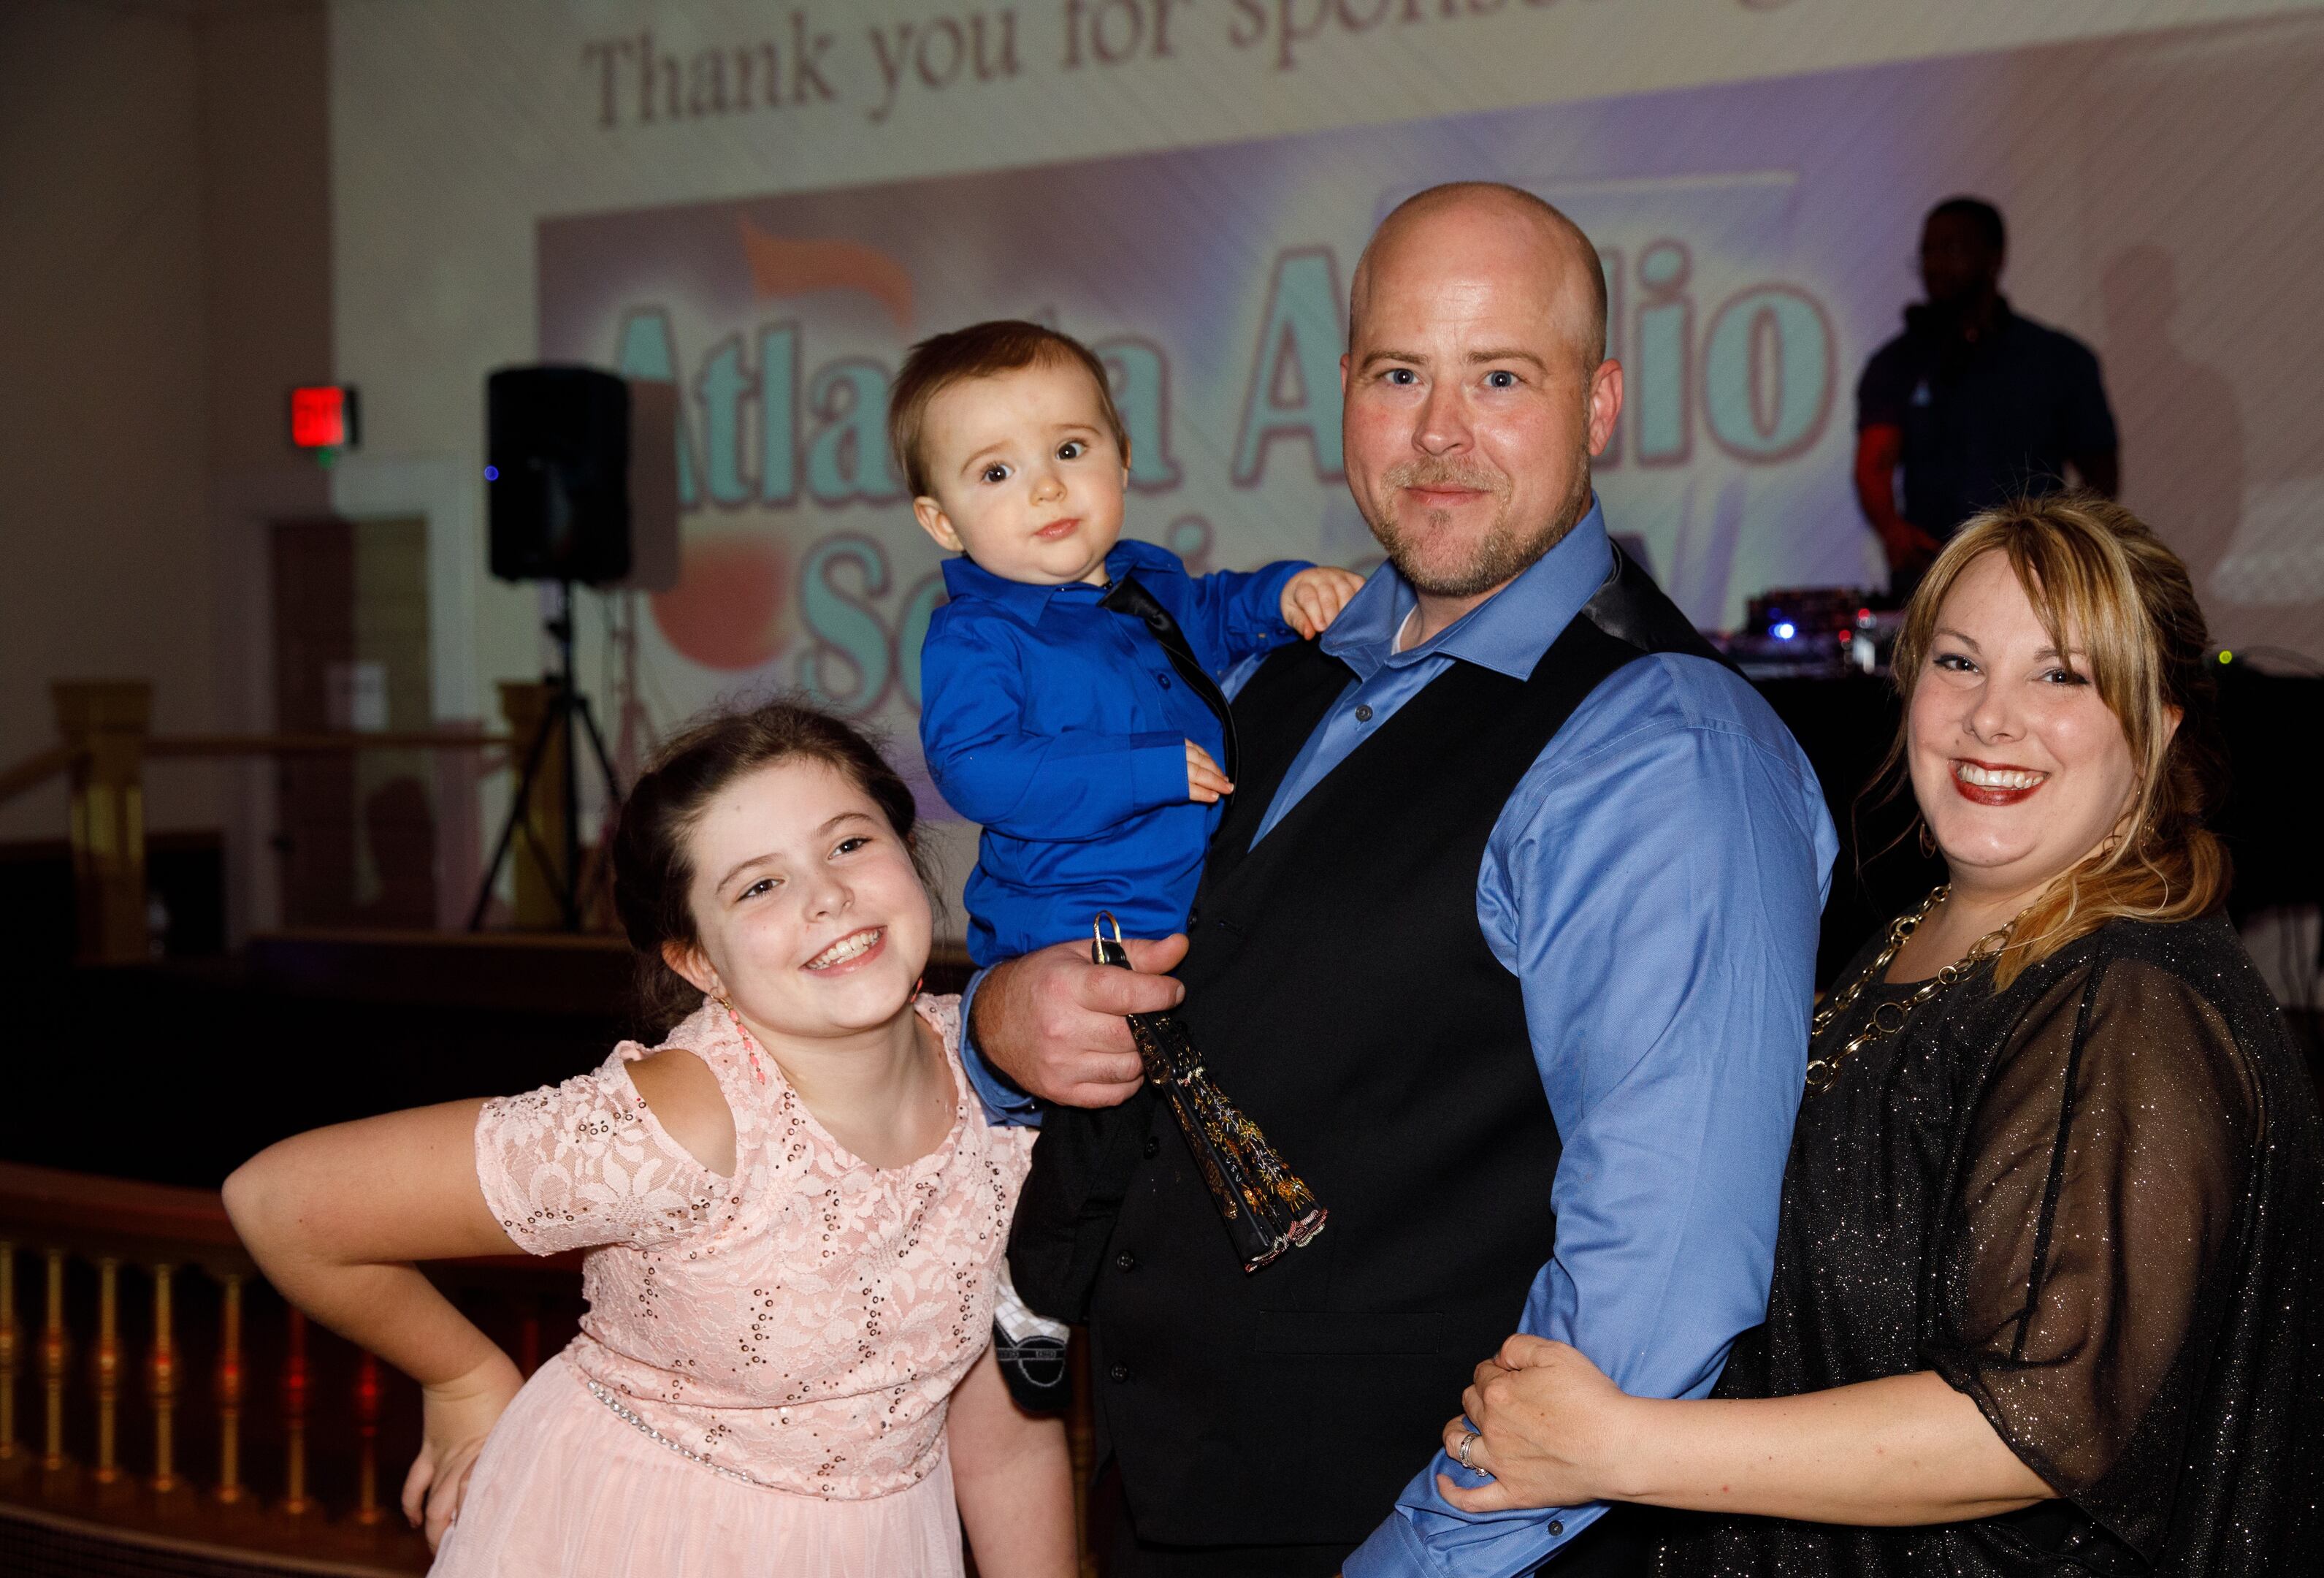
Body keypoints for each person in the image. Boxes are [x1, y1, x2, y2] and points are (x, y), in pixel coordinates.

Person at [974, 182, 1839, 1577]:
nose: (1440, 432)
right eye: (1398, 375)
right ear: (1343, 394)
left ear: (1600, 405)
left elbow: (1656, 1293)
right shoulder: (1271, 675)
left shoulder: (1667, 747)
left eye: (1500, 377)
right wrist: (1003, 1022)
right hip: (1166, 1510)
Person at [1436, 495, 2324, 1577]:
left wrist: (1621, 1449)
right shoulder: (1925, 932)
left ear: (2159, 728)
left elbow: (2030, 1425)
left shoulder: (2131, 1003)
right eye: (1960, 662)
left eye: (2062, 676)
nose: (1992, 718)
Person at [221, 703, 1074, 1578]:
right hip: (633, 1537)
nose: (827, 896)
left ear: (907, 849)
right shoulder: (679, 1126)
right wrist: (463, 1378)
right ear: (699, 962)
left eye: (850, 844)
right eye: (759, 886)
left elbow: (1002, 1434)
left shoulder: (1006, 1086)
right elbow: (279, 1203)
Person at [901, 318, 1365, 967]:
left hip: (1197, 914)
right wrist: (1139, 769)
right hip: (1073, 938)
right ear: (943, 522)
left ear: (1121, 458)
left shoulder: (1152, 583)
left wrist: (1285, 592)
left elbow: (1216, 612)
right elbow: (975, 767)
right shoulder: (976, 637)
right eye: (997, 471)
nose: (1047, 487)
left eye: (1069, 450)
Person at [1855, 198, 2120, 598]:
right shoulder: (1898, 362)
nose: (1934, 265)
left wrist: (2068, 546)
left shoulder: (2058, 359)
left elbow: (2101, 473)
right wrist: (1894, 531)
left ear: (1995, 258)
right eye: (1927, 252)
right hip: (1932, 580)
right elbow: (1874, 463)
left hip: (2036, 579)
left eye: (1951, 249)